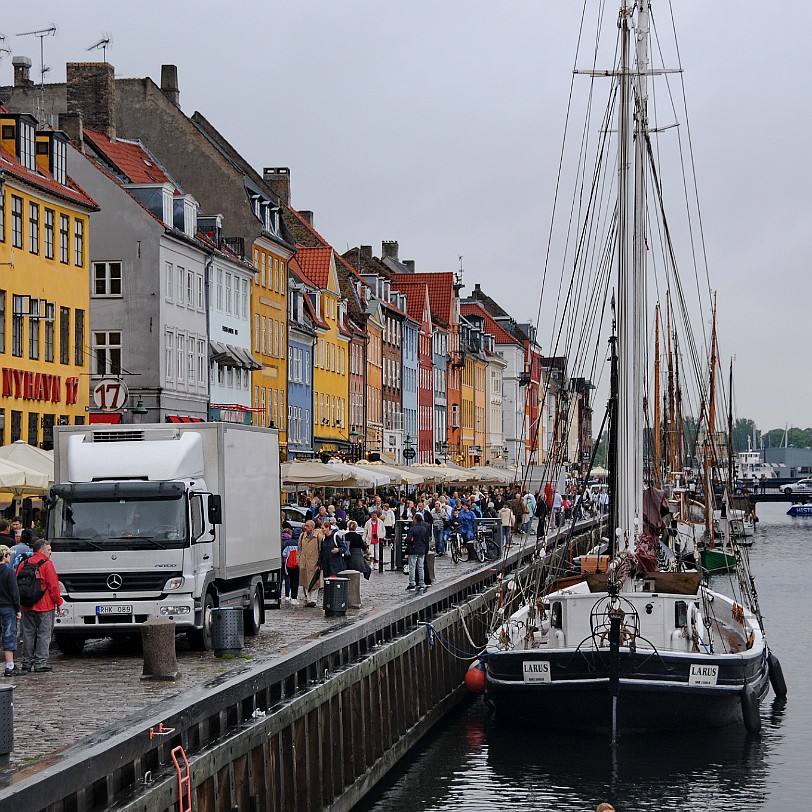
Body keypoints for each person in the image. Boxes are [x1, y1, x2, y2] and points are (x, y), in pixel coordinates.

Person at [18, 538, 63, 673]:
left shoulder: (23, 563)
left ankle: (26, 662)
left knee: (27, 634)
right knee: (44, 634)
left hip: (26, 604)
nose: (51, 552)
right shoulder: (47, 564)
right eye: (49, 550)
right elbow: (53, 586)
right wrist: (58, 602)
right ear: (42, 550)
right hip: (44, 605)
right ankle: (40, 663)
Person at [0, 544, 21, 677]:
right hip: (7, 607)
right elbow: (14, 593)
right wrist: (17, 609)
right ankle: (9, 666)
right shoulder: (9, 572)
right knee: (9, 636)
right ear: (5, 556)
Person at [298, 520, 324, 608]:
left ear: (312, 527)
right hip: (304, 563)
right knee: (305, 581)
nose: (305, 527)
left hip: (314, 563)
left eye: (307, 526)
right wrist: (299, 560)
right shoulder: (302, 536)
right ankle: (308, 599)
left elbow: (321, 550)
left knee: (314, 582)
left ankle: (313, 600)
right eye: (305, 525)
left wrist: (320, 563)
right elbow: (299, 549)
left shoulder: (318, 537)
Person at [404, 514, 430, 592]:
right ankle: (421, 583)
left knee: (412, 567)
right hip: (421, 550)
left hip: (413, 549)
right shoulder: (424, 528)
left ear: (415, 520)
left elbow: (409, 540)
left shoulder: (412, 529)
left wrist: (406, 540)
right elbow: (426, 540)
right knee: (420, 567)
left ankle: (412, 583)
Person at [282, 528, 299, 604]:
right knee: (296, 581)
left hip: (288, 564)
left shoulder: (288, 543)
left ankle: (287, 595)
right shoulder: (301, 542)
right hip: (298, 565)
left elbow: (284, 553)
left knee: (288, 579)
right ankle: (294, 598)